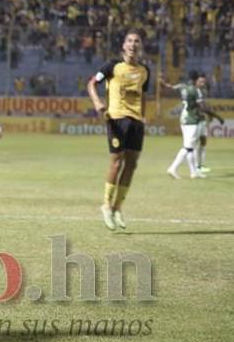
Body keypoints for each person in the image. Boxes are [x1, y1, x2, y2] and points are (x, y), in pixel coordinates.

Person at [87, 29, 150, 231]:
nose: (133, 44)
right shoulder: (112, 65)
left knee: (132, 164)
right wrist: (97, 103)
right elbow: (92, 83)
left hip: (136, 120)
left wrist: (144, 116)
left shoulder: (144, 71)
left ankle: (117, 208)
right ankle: (106, 205)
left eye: (136, 41)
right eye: (129, 41)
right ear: (124, 45)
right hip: (116, 118)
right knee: (116, 162)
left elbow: (143, 95)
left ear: (140, 46)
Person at [161, 71, 224, 179]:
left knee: (190, 146)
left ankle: (193, 172)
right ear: (196, 79)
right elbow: (203, 107)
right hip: (192, 120)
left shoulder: (184, 87)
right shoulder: (195, 91)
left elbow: (171, 89)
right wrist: (217, 116)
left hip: (185, 119)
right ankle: (173, 168)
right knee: (188, 147)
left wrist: (163, 83)